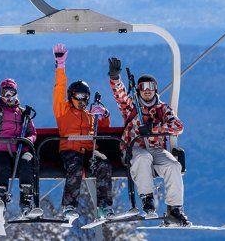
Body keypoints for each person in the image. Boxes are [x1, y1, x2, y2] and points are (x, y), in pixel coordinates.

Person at [107, 57, 190, 226]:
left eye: (150, 87)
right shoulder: (132, 107)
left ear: (155, 89)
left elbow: (178, 126)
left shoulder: (162, 109)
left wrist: (154, 129)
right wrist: (115, 78)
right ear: (138, 89)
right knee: (143, 158)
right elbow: (121, 96)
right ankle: (147, 199)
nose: (147, 91)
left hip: (156, 149)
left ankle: (175, 208)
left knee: (173, 165)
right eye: (143, 87)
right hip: (135, 148)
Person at [52, 44, 114, 220]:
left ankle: (104, 206)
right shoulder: (63, 111)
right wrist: (60, 66)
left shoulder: (90, 114)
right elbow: (59, 89)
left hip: (88, 150)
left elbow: (104, 129)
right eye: (78, 97)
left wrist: (103, 113)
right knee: (76, 168)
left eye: (84, 97)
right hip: (70, 151)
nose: (81, 101)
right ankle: (69, 206)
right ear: (71, 96)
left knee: (103, 164)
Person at [0, 78, 38, 217]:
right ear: (1, 95)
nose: (8, 97)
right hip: (1, 149)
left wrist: (27, 141)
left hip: (20, 149)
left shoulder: (23, 113)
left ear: (16, 93)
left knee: (27, 165)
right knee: (3, 167)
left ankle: (26, 200)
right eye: (5, 93)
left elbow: (32, 133)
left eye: (11, 93)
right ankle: (0, 198)